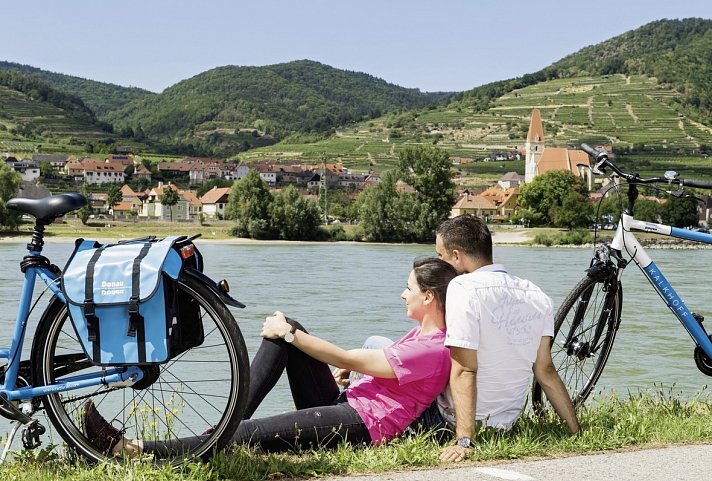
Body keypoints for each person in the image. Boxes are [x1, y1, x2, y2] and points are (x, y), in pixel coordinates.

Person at [83, 257, 459, 457]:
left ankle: (131, 450)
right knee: (287, 333)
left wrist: (291, 334)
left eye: (408, 288)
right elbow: (377, 369)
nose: (402, 294)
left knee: (249, 434)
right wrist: (292, 336)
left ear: (428, 297)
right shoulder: (421, 334)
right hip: (351, 404)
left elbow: (353, 357)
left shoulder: (432, 347)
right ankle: (224, 425)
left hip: (362, 426)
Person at [433, 215, 580, 463]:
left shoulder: (462, 288)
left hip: (453, 419)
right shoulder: (536, 294)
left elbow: (464, 369)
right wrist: (576, 431)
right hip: (505, 425)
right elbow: (545, 370)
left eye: (441, 256)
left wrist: (465, 441)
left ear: (456, 256)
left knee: (377, 345)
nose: (439, 262)